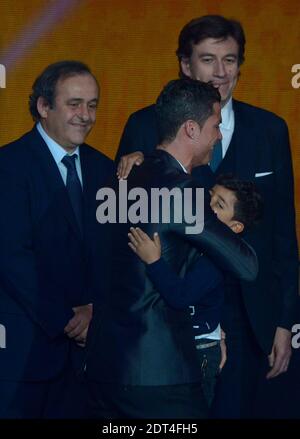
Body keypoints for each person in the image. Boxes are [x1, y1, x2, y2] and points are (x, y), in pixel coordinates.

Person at [115, 15, 299, 418]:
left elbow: (284, 235)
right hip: (169, 324)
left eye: (229, 60)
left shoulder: (270, 129)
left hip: (250, 318)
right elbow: (123, 227)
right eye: (208, 59)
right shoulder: (144, 126)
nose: (220, 72)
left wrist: (285, 322)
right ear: (185, 64)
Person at [86, 78, 258, 419]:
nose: (219, 136)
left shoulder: (121, 178)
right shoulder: (182, 193)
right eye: (214, 126)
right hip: (158, 376)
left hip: (104, 367)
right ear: (191, 129)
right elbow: (247, 265)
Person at [0, 60, 114, 418]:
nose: (85, 115)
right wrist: (66, 319)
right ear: (44, 107)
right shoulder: (9, 166)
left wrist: (97, 311)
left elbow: (114, 254)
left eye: (92, 105)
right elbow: (11, 257)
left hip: (90, 359)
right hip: (26, 355)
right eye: (74, 104)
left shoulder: (105, 169)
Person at [127, 175, 263, 408]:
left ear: (235, 227)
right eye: (210, 197)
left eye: (219, 205)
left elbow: (180, 296)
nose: (208, 207)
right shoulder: (195, 238)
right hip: (182, 343)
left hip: (199, 353)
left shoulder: (216, 261)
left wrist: (154, 261)